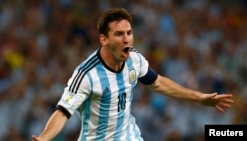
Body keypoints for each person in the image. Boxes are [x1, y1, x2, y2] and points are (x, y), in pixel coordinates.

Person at [32, 8, 234, 141]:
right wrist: (44, 138)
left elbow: (158, 83)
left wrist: (200, 97)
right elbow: (62, 111)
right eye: (119, 34)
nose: (126, 39)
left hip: (130, 136)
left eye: (129, 33)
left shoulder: (134, 60)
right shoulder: (86, 74)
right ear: (104, 39)